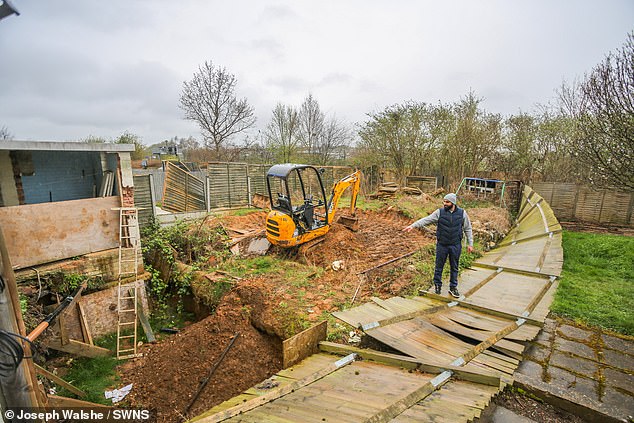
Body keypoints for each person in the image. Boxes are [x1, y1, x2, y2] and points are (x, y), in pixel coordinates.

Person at [403, 193, 473, 298]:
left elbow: (468, 229)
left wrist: (470, 244)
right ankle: (437, 285)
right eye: (444, 201)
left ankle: (453, 287)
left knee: (454, 267)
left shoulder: (462, 213)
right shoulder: (439, 213)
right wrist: (413, 225)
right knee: (439, 266)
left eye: (447, 202)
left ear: (453, 203)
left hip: (455, 245)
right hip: (442, 244)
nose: (445, 204)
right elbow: (426, 220)